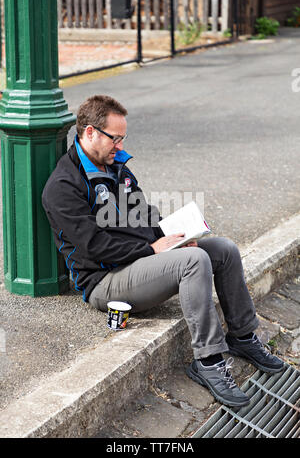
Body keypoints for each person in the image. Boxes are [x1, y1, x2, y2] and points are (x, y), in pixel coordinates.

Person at [42, 95, 284, 408]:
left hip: (139, 263)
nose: (120, 146)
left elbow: (142, 213)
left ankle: (243, 337)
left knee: (222, 249)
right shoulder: (64, 185)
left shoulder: (116, 168)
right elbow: (93, 247)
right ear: (90, 133)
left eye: (123, 138)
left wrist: (176, 237)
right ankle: (208, 361)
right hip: (105, 281)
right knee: (193, 261)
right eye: (115, 138)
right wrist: (152, 249)